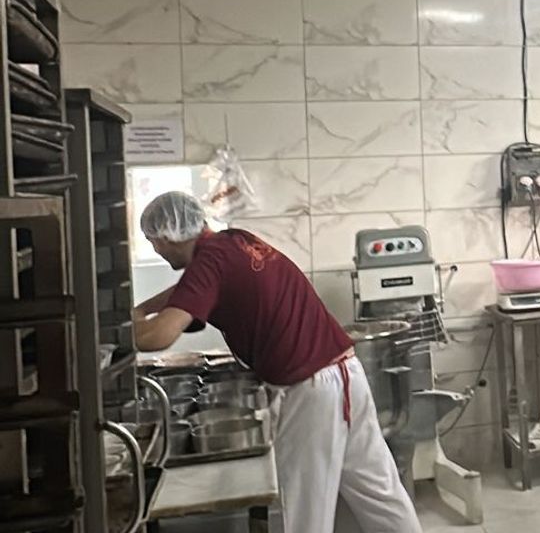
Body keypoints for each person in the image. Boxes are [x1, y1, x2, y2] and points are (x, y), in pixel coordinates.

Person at [130, 192, 422, 533]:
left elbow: (158, 337)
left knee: (306, 510)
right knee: (380, 492)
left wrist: (120, 330)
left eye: (153, 241)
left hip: (312, 390)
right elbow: (187, 291)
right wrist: (142, 309)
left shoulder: (210, 261)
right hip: (345, 373)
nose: (155, 250)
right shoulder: (233, 241)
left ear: (168, 235)